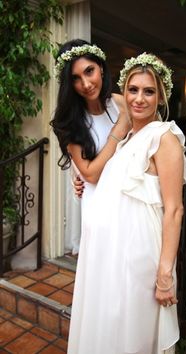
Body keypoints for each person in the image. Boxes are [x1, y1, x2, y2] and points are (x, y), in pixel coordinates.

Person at [67, 53, 186, 354]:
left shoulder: (164, 137)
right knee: (113, 333)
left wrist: (164, 274)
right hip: (112, 258)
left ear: (161, 97)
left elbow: (174, 210)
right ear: (124, 92)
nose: (139, 99)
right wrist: (77, 178)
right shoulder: (126, 138)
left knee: (134, 336)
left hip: (140, 259)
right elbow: (104, 178)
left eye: (149, 91)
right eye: (133, 90)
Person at [50, 39, 129, 254]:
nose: (86, 83)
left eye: (89, 71)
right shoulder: (71, 121)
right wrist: (117, 133)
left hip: (129, 203)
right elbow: (90, 175)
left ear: (101, 68)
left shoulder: (122, 103)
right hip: (99, 206)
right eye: (76, 78)